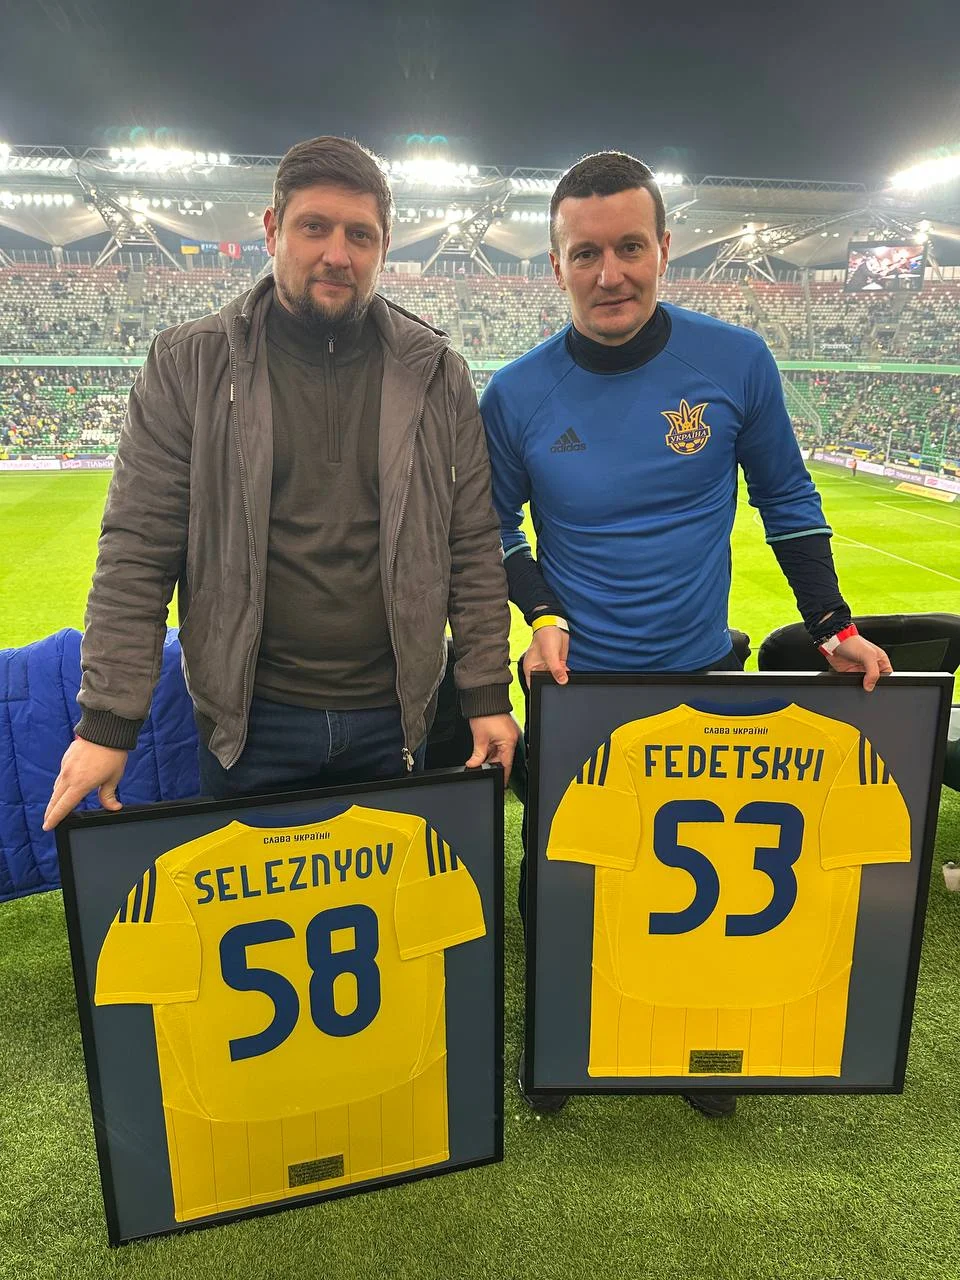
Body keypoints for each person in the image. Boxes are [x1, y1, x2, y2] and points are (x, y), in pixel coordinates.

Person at [480, 151, 892, 1120]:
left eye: (630, 247)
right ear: (556, 265)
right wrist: (543, 613)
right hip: (577, 688)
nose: (609, 273)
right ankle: (562, 1040)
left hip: (702, 673)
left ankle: (696, 1044)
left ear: (664, 248)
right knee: (565, 874)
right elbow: (491, 532)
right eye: (586, 253)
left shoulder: (735, 360)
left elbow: (787, 497)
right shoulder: (515, 393)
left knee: (694, 869)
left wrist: (832, 621)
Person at [44, 135, 517, 829]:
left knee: (395, 894)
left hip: (396, 718)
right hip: (251, 725)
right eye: (314, 227)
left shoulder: (436, 371)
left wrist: (485, 693)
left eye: (360, 234)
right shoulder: (189, 364)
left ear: (384, 245)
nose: (337, 254)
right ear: (273, 230)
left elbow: (471, 544)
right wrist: (108, 721)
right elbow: (139, 548)